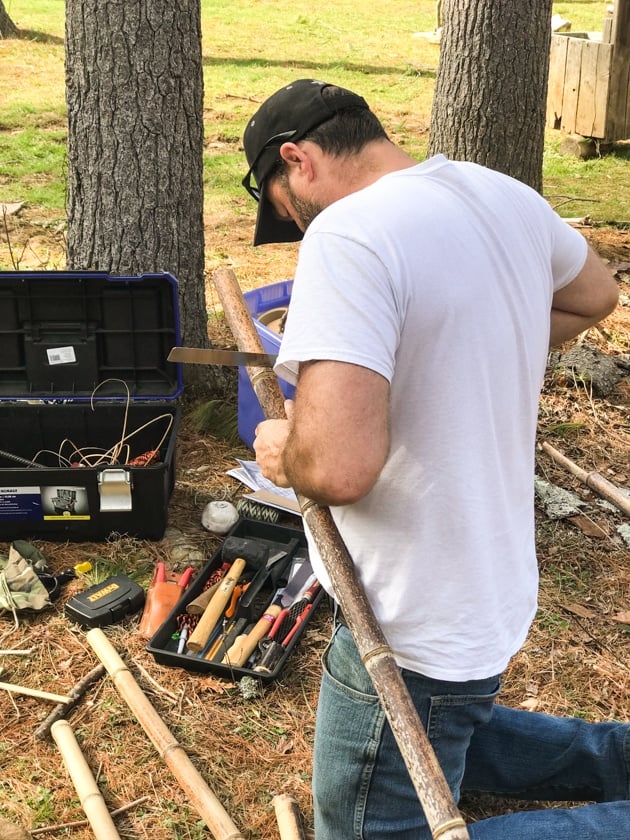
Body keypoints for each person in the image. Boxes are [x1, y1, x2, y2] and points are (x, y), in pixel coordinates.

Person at [241, 78, 626, 839]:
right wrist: (474, 346)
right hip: (487, 582)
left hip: (409, 609)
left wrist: (287, 451)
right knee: (454, 720)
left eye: (283, 205)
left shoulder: (349, 235)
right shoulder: (498, 194)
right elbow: (595, 295)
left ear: (298, 159)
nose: (293, 223)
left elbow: (341, 469)